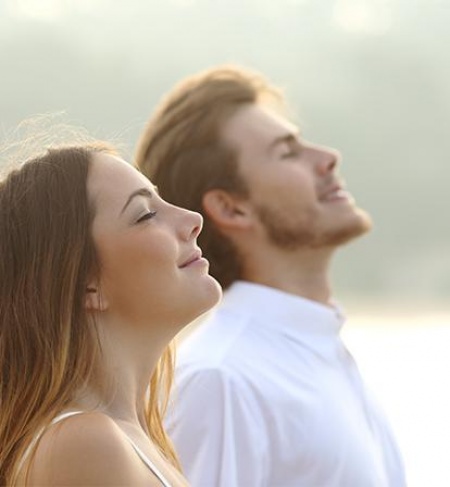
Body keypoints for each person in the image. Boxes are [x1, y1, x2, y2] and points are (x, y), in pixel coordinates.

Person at [135, 65, 406, 487]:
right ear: (231, 208)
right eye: (287, 152)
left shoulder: (317, 352)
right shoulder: (222, 379)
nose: (328, 157)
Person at [0, 141, 222, 486]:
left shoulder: (133, 439)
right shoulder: (83, 444)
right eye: (146, 214)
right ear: (87, 284)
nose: (193, 219)